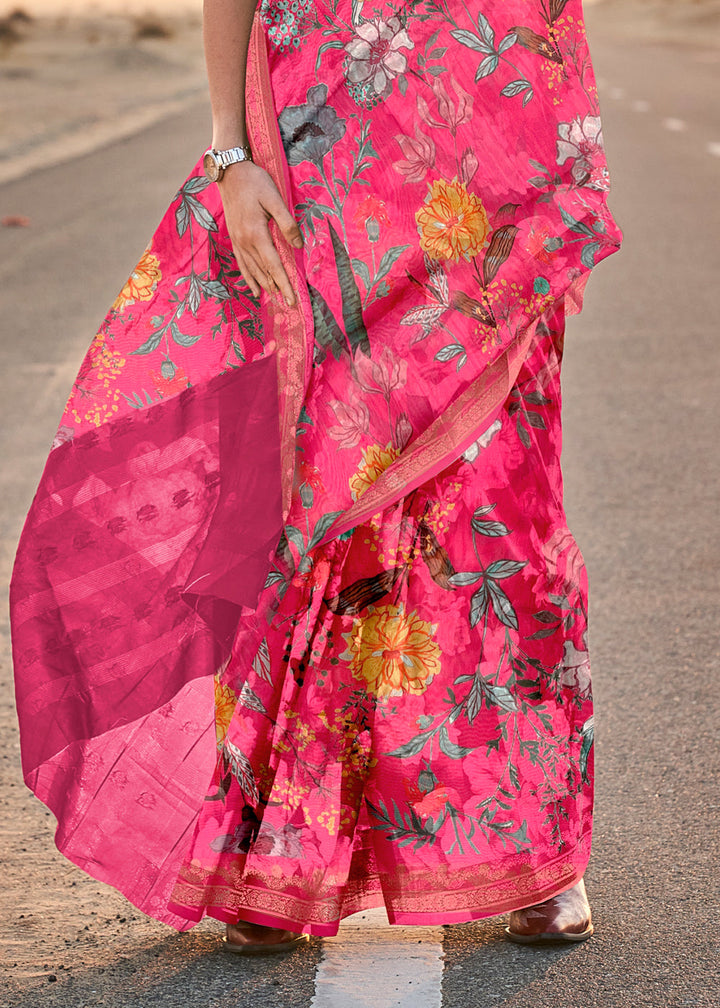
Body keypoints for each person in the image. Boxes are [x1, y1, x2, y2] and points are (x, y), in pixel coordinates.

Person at [10, 0, 621, 953]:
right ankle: (282, 851)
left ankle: (529, 844)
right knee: (316, 506)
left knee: (501, 506)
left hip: (491, 166)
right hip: (327, 162)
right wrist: (230, 153)